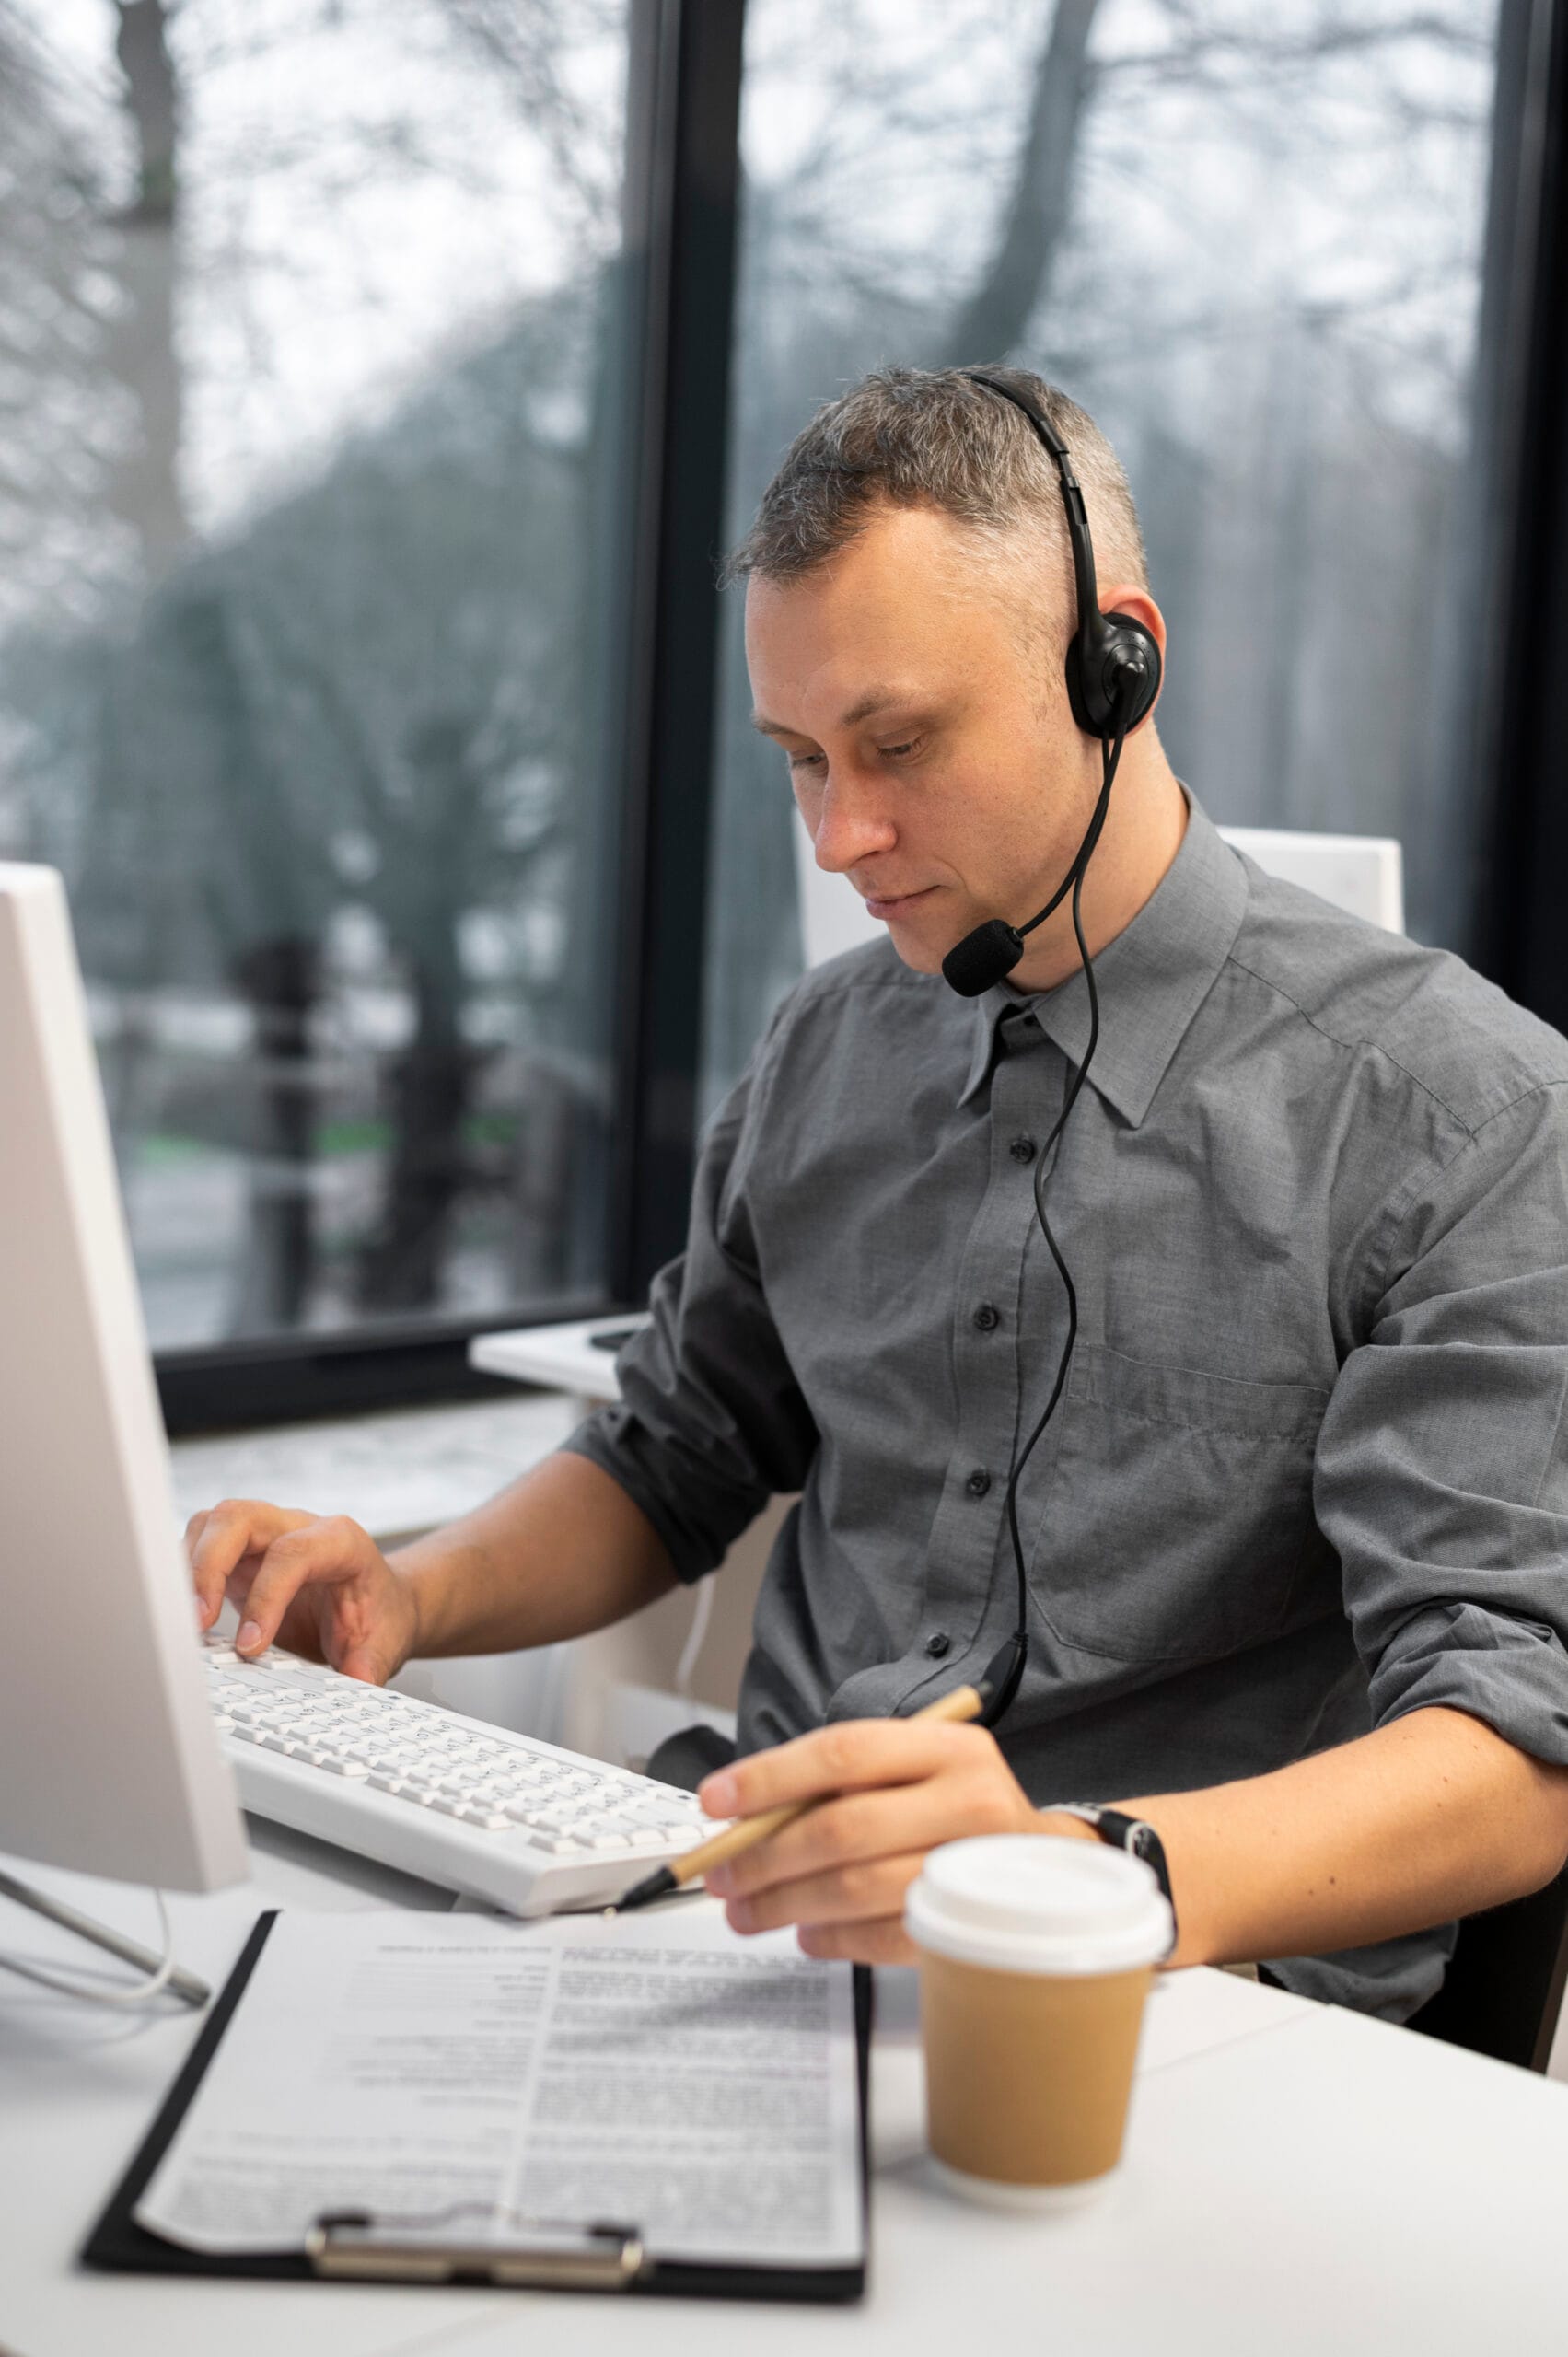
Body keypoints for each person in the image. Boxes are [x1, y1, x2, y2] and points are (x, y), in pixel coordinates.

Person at [188, 366, 1568, 2020]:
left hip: (1164, 1984)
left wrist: (1077, 1870)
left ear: (1112, 666)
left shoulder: (1461, 1109)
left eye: (898, 743)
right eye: (798, 760)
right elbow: (671, 1456)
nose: (841, 838)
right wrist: (412, 1592)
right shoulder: (828, 1045)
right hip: (746, 1919)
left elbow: (1516, 1746)